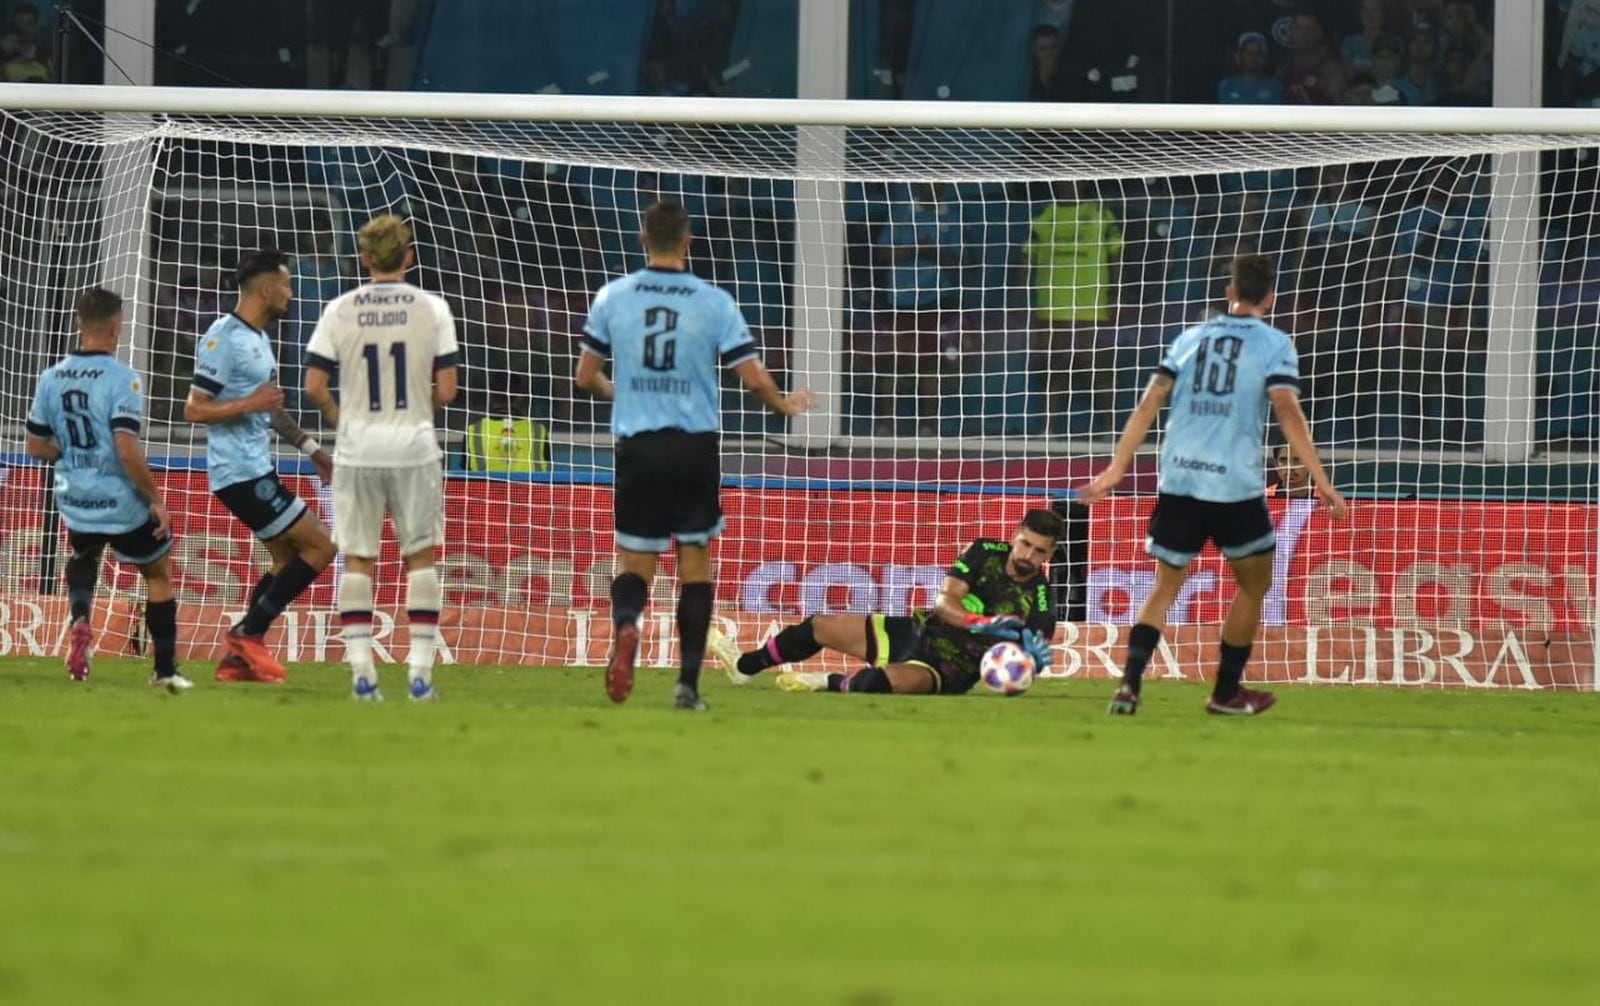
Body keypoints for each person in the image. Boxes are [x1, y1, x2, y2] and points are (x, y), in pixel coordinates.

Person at [1079, 253, 1347, 716]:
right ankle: (1225, 692)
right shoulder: (1274, 344)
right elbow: (1287, 411)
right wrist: (1320, 479)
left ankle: (1129, 684)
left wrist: (1116, 468)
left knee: (1165, 587)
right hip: (1233, 486)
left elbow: (1149, 403)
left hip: (1179, 479)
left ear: (1229, 292)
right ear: (1270, 297)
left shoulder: (1189, 338)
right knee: (1254, 583)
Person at [574, 199, 813, 711]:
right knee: (694, 565)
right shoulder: (714, 301)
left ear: (642, 240)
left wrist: (626, 392)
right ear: (688, 242)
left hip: (638, 446)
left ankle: (625, 627)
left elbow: (583, 376)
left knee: (636, 563)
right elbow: (751, 377)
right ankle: (687, 687)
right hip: (694, 447)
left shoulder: (613, 296)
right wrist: (783, 404)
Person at [304, 215, 459, 702]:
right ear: (408, 257)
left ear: (366, 259)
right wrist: (415, 407)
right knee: (420, 558)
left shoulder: (338, 310)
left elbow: (313, 386)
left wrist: (341, 416)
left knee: (358, 558)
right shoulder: (432, 309)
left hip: (358, 447)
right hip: (413, 445)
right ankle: (419, 674)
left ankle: (362, 675)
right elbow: (448, 390)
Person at [25, 288, 190, 691]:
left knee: (85, 553)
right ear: (116, 328)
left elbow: (35, 445)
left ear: (79, 324)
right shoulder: (122, 379)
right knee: (156, 573)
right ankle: (165, 671)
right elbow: (127, 450)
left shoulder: (51, 377)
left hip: (76, 497)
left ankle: (80, 617)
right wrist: (155, 499)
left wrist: (66, 453)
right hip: (119, 500)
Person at [707, 510, 1063, 696]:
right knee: (818, 626)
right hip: (915, 631)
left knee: (879, 683)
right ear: (1015, 535)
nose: (1029, 556)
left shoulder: (1042, 601)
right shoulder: (985, 550)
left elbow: (1026, 666)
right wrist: (982, 623)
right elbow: (943, 601)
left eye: (1039, 551)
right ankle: (744, 666)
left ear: (1051, 554)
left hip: (948, 668)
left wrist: (1032, 663)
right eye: (1025, 544)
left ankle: (826, 682)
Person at [185, 250, 336, 684]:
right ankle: (248, 634)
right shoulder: (223, 338)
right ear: (267, 289)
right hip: (239, 473)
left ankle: (238, 662)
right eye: (287, 285)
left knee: (285, 557)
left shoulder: (260, 338)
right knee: (322, 548)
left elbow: (270, 409)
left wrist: (312, 450)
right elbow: (194, 409)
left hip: (255, 469)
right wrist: (249, 403)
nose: (291, 293)